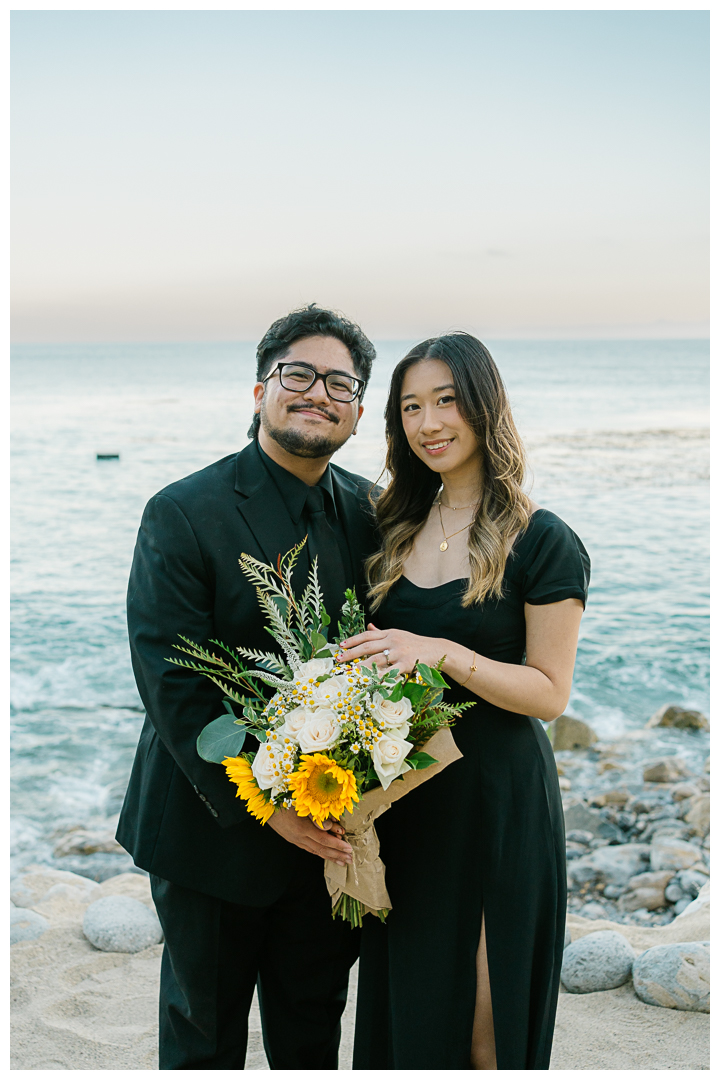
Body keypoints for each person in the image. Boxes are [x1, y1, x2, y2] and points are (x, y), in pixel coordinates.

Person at [116, 304, 378, 1069]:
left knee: (312, 1028)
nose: (318, 393)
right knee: (204, 1034)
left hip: (332, 828)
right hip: (213, 830)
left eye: (341, 383)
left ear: (358, 412)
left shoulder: (372, 511)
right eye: (298, 374)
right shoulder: (183, 511)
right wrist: (267, 810)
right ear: (260, 390)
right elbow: (171, 682)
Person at [337, 333, 590, 1070]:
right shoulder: (390, 529)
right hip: (408, 801)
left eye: (446, 400)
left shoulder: (543, 540)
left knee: (483, 1017)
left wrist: (440, 651)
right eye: (411, 406)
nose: (428, 423)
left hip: (495, 804)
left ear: (485, 405)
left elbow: (549, 693)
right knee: (409, 1008)